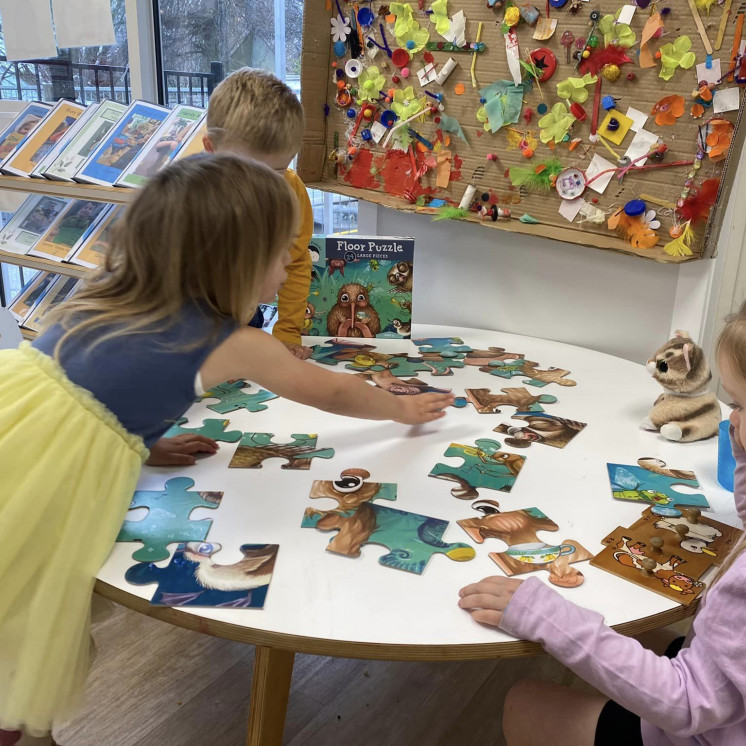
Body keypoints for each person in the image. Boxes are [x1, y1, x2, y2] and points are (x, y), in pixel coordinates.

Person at [0, 154, 453, 745]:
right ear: (234, 264)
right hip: (44, 477)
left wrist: (141, 441)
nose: (298, 260)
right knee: (21, 621)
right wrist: (402, 406)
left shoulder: (111, 294)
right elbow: (332, 392)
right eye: (284, 250)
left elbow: (89, 391)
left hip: (16, 419)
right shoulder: (231, 341)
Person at [458, 302, 746, 746]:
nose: (731, 420)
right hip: (726, 701)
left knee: (524, 703)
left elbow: (689, 701)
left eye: (740, 406)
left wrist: (548, 615)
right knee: (638, 629)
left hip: (703, 729)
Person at [203, 67, 315, 360]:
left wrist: (288, 332)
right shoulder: (191, 196)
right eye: (246, 170)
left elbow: (296, 263)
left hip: (247, 317)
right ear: (211, 149)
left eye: (275, 172)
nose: (260, 186)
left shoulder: (293, 193)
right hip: (189, 324)